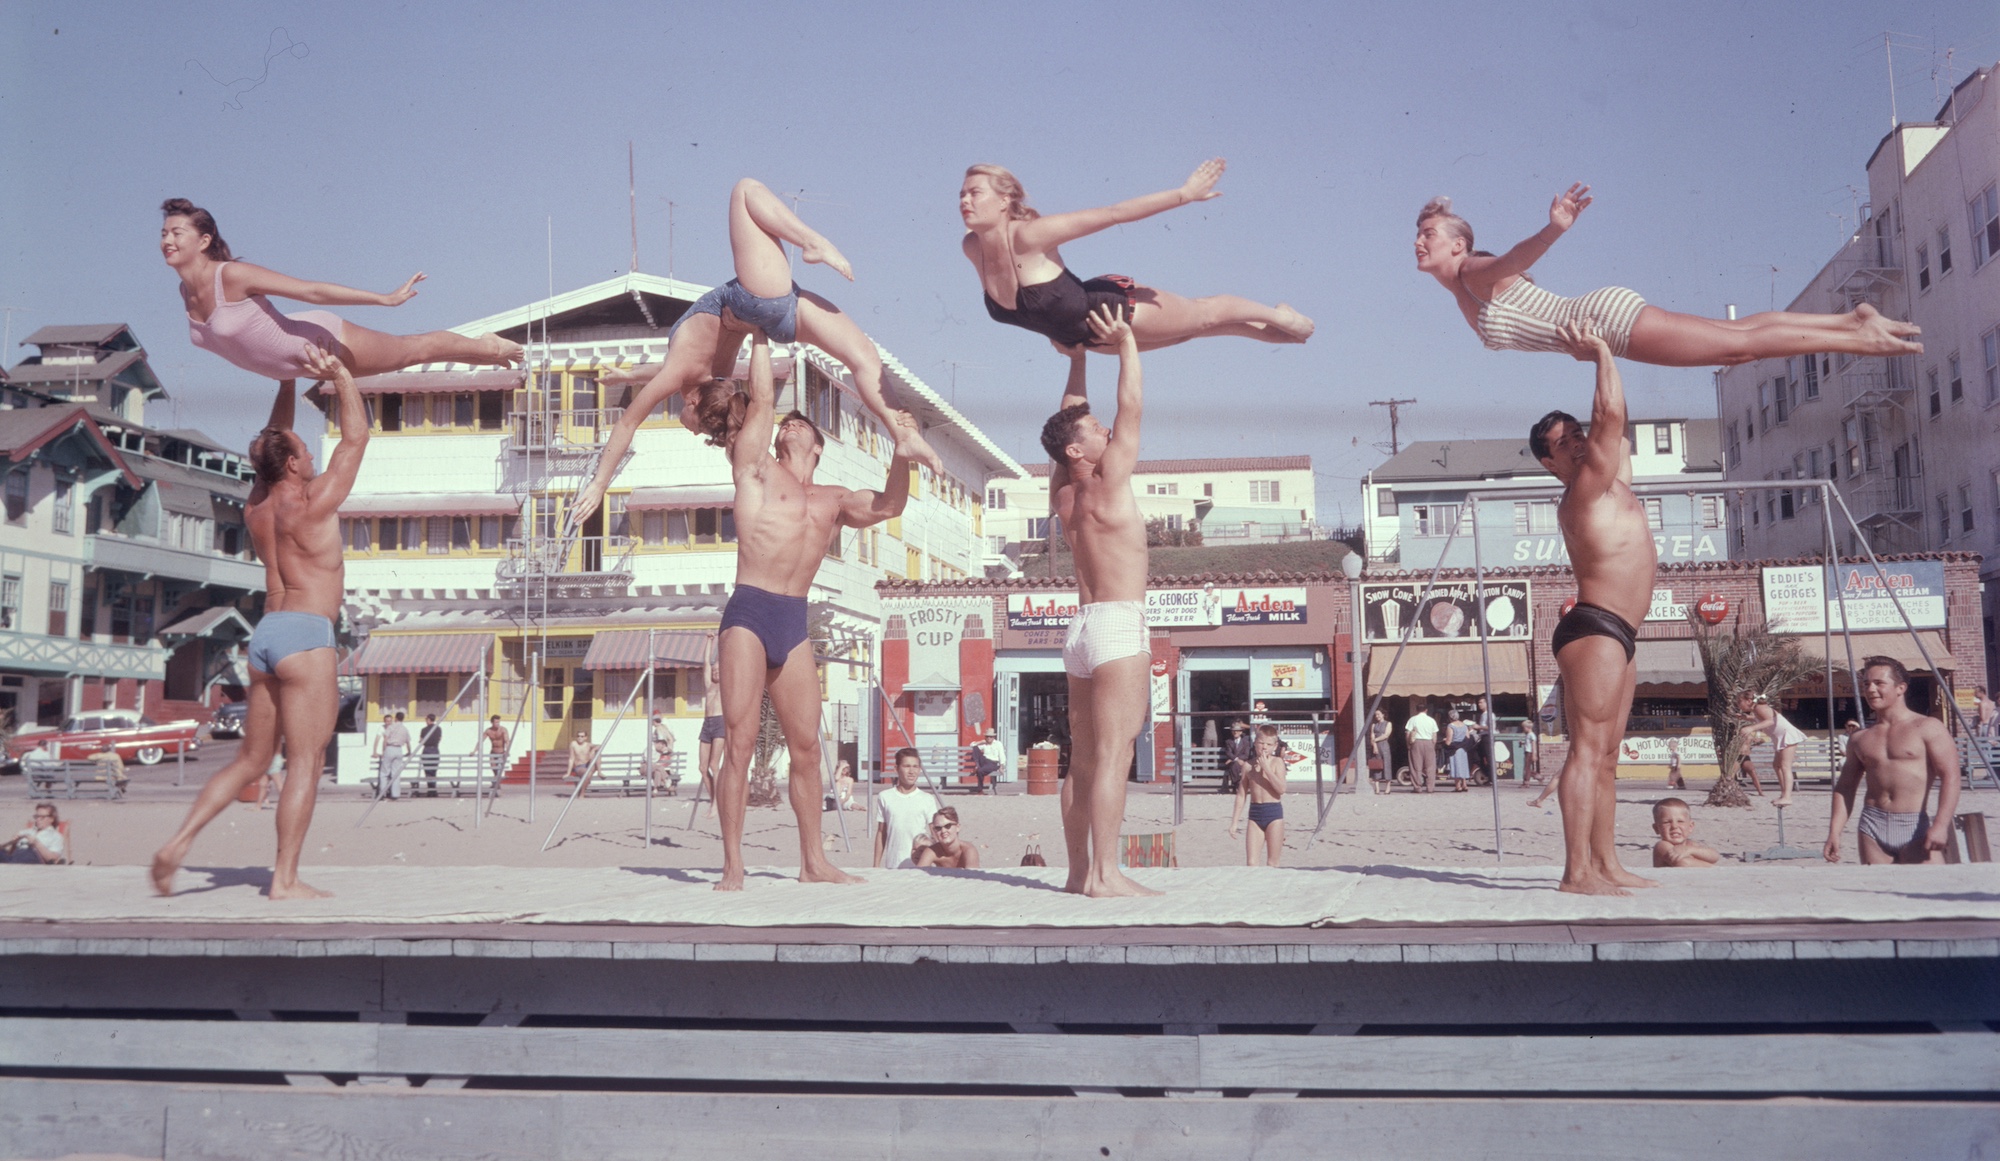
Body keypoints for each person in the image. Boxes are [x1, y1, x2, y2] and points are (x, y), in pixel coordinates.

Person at [573, 178, 941, 534]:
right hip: (756, 297)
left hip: (773, 317)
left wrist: (625, 377)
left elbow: (661, 372)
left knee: (864, 355)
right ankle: (814, 242)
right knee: (745, 190)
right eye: (690, 418)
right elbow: (627, 423)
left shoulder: (707, 372)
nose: (684, 417)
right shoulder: (686, 372)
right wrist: (599, 483)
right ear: (695, 400)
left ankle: (901, 434)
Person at [151, 346, 367, 899]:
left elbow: (274, 436)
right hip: (306, 635)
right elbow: (356, 439)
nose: (312, 454)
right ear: (293, 465)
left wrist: (288, 380)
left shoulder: (257, 505)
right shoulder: (312, 502)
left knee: (252, 759)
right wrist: (340, 374)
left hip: (265, 633)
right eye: (302, 450)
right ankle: (285, 880)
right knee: (306, 763)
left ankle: (178, 843)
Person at [709, 331, 913, 891]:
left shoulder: (834, 499)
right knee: (741, 741)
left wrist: (903, 449)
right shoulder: (755, 468)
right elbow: (765, 401)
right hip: (749, 610)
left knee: (806, 747)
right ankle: (732, 864)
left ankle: (812, 862)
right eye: (785, 424)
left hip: (793, 620)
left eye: (803, 425)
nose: (791, 424)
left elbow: (892, 505)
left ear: (819, 447)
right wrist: (757, 334)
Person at [1415, 191, 1921, 367]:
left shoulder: (1471, 274)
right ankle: (1852, 321)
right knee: (1738, 335)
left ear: (1458, 244)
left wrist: (1553, 229)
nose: (1420, 241)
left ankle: (1861, 339)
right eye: (1418, 235)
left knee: (1738, 350)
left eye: (1430, 233)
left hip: (1604, 322)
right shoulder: (1463, 289)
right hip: (1598, 323)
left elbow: (1514, 259)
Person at [1532, 321, 1660, 895]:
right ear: (1550, 463)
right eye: (1564, 442)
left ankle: (1605, 864)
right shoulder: (1584, 486)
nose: (1579, 442)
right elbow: (1613, 418)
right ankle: (1575, 872)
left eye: (1577, 434)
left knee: (1608, 755)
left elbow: (1616, 434)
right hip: (1594, 628)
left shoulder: (1610, 481)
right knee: (1586, 751)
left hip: (1620, 632)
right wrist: (1601, 351)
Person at [1041, 305, 1161, 897]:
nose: (1104, 430)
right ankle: (1107, 876)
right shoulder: (1108, 479)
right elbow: (1131, 410)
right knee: (1115, 757)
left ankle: (1077, 872)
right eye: (1095, 433)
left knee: (1081, 763)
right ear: (1079, 452)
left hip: (1080, 630)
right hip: (1116, 624)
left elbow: (1070, 420)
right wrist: (1127, 342)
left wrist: (1080, 358)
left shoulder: (1063, 494)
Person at [960, 162, 1313, 352]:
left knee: (1204, 315)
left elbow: (1114, 213)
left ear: (1005, 201)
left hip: (1120, 311)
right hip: (1097, 342)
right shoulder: (972, 248)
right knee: (1194, 333)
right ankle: (1291, 335)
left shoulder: (1029, 236)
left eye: (975, 193)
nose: (965, 201)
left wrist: (1184, 194)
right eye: (962, 195)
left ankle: (1279, 315)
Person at [161, 198, 520, 381]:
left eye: (177, 233)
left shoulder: (232, 276)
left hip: (323, 342)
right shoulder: (185, 293)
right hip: (303, 368)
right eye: (164, 233)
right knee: (416, 356)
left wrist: (384, 299)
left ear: (204, 240)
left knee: (413, 351)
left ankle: (489, 346)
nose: (167, 240)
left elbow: (312, 290)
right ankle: (492, 353)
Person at [1825, 657, 1962, 865]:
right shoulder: (1860, 738)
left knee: (1926, 893)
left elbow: (1951, 777)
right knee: (1879, 893)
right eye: (1866, 684)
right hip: (1872, 825)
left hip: (1915, 825)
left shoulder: (1928, 727)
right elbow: (1845, 787)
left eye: (1879, 683)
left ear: (1900, 688)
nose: (1871, 689)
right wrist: (1834, 832)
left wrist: (1941, 825)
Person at [1228, 724, 1289, 866]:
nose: (1264, 747)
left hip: (1273, 814)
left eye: (1268, 744)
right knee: (1251, 863)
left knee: (1273, 862)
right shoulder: (1248, 766)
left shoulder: (1277, 762)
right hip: (1255, 815)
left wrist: (1267, 769)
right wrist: (1234, 822)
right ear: (1255, 743)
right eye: (1261, 743)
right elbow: (1241, 795)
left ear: (1275, 746)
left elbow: (1281, 789)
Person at [875, 748, 943, 870]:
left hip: (921, 866)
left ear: (920, 769)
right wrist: (875, 866)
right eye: (906, 766)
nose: (911, 771)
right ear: (896, 769)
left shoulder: (927, 799)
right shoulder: (885, 796)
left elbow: (935, 834)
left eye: (915, 766)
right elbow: (881, 832)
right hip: (893, 865)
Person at [1739, 692, 1806, 807]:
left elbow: (1770, 721)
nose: (1738, 705)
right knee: (1777, 765)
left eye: (1739, 702)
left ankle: (1787, 797)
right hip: (1780, 737)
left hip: (1787, 735)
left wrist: (1751, 728)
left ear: (1748, 701)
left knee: (1785, 766)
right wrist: (1747, 718)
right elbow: (1760, 719)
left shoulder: (1760, 707)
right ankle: (1784, 793)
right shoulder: (1757, 709)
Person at [695, 633, 725, 819]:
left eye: (718, 670)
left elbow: (730, 663)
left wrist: (722, 643)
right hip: (707, 723)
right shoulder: (709, 686)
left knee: (715, 765)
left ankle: (716, 805)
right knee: (702, 767)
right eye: (714, 671)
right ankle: (714, 798)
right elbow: (706, 663)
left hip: (720, 722)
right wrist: (709, 642)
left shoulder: (726, 685)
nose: (715, 672)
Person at [1650, 798, 1719, 868]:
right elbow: (1683, 863)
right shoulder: (1662, 846)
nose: (1674, 826)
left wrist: (1690, 850)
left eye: (1680, 821)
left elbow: (1714, 856)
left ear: (1690, 826)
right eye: (1666, 822)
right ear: (1656, 828)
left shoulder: (1690, 845)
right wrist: (1715, 869)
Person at [914, 807, 981, 869]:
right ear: (934, 831)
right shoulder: (932, 851)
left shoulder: (968, 850)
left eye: (947, 826)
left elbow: (971, 877)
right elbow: (919, 874)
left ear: (958, 827)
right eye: (938, 828)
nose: (943, 831)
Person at [375, 712, 411, 800]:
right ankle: (395, 794)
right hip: (399, 749)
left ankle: (382, 793)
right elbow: (408, 742)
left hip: (390, 748)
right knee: (396, 773)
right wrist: (409, 751)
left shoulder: (391, 727)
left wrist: (384, 751)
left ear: (396, 718)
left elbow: (385, 739)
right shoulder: (405, 729)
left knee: (384, 772)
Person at [1405, 702, 1438, 793]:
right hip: (1429, 742)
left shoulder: (1413, 719)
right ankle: (1430, 787)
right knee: (1430, 766)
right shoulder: (1431, 720)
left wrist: (1408, 744)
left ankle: (1417, 787)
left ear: (1416, 710)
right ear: (1426, 710)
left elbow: (1408, 733)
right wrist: (1433, 745)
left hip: (1416, 742)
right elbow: (1434, 736)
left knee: (1416, 765)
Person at [476, 715, 509, 796]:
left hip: (501, 752)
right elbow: (481, 741)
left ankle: (496, 784)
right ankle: (496, 783)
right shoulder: (488, 731)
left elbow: (507, 740)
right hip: (493, 752)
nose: (497, 724)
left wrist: (507, 751)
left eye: (498, 722)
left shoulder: (503, 730)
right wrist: (474, 751)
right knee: (493, 767)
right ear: (492, 722)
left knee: (499, 769)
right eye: (496, 722)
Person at [649, 714, 678, 793]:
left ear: (654, 722)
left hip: (662, 757)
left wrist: (664, 750)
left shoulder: (658, 730)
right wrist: (670, 749)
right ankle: (664, 785)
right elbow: (671, 739)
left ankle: (661, 785)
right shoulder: (665, 728)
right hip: (667, 757)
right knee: (657, 769)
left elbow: (661, 743)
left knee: (655, 767)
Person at [971, 729, 1005, 795]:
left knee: (980, 771)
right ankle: (977, 765)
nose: (988, 738)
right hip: (984, 761)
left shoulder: (998, 744)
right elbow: (972, 745)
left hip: (992, 763)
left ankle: (980, 790)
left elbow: (1002, 755)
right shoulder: (984, 744)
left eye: (990, 737)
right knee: (975, 747)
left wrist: (1001, 766)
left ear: (993, 737)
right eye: (987, 736)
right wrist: (981, 742)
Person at [1369, 708, 1394, 795]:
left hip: (1384, 745)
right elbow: (1372, 736)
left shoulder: (1388, 724)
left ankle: (1388, 788)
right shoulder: (1374, 725)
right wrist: (1374, 746)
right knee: (1376, 765)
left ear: (1383, 714)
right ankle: (1377, 788)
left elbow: (1386, 735)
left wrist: (1375, 739)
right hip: (1376, 746)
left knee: (1387, 764)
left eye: (1379, 714)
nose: (1377, 716)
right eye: (1376, 715)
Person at [418, 713, 444, 798]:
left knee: (427, 771)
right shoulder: (438, 729)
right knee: (434, 770)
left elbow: (421, 741)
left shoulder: (424, 730)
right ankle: (434, 790)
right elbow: (439, 738)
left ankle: (430, 790)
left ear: (429, 719)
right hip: (435, 749)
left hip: (427, 749)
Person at [1446, 709, 1472, 792]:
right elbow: (1467, 737)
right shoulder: (1464, 725)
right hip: (1463, 749)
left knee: (1456, 766)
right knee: (1463, 765)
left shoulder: (1450, 726)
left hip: (1455, 749)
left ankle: (1458, 786)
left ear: (1450, 717)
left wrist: (1444, 741)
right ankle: (1464, 784)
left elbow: (1449, 741)